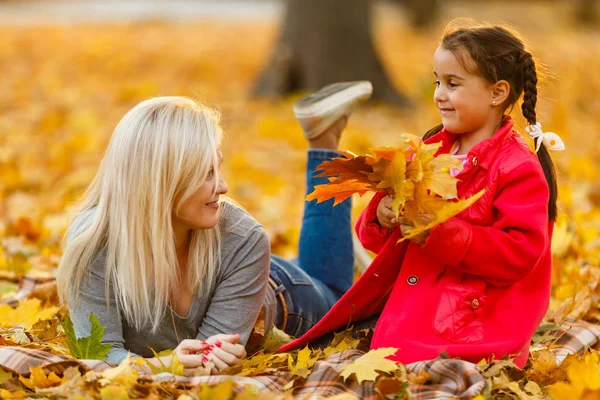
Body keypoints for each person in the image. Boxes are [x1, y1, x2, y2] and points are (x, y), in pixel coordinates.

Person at [281, 22, 564, 368]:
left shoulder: (517, 168)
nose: (439, 95)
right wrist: (382, 214)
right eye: (437, 81)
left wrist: (442, 234)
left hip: (470, 324)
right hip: (412, 310)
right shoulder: (431, 149)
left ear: (497, 92)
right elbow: (369, 238)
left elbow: (520, 254)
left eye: (453, 84)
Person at [56, 85, 372, 376]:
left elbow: (206, 364)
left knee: (338, 301)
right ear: (161, 181)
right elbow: (98, 356)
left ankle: (324, 142)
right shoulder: (93, 241)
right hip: (237, 268)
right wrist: (167, 364)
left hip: (276, 293)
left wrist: (162, 366)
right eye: (207, 173)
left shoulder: (243, 237)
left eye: (217, 167)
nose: (223, 186)